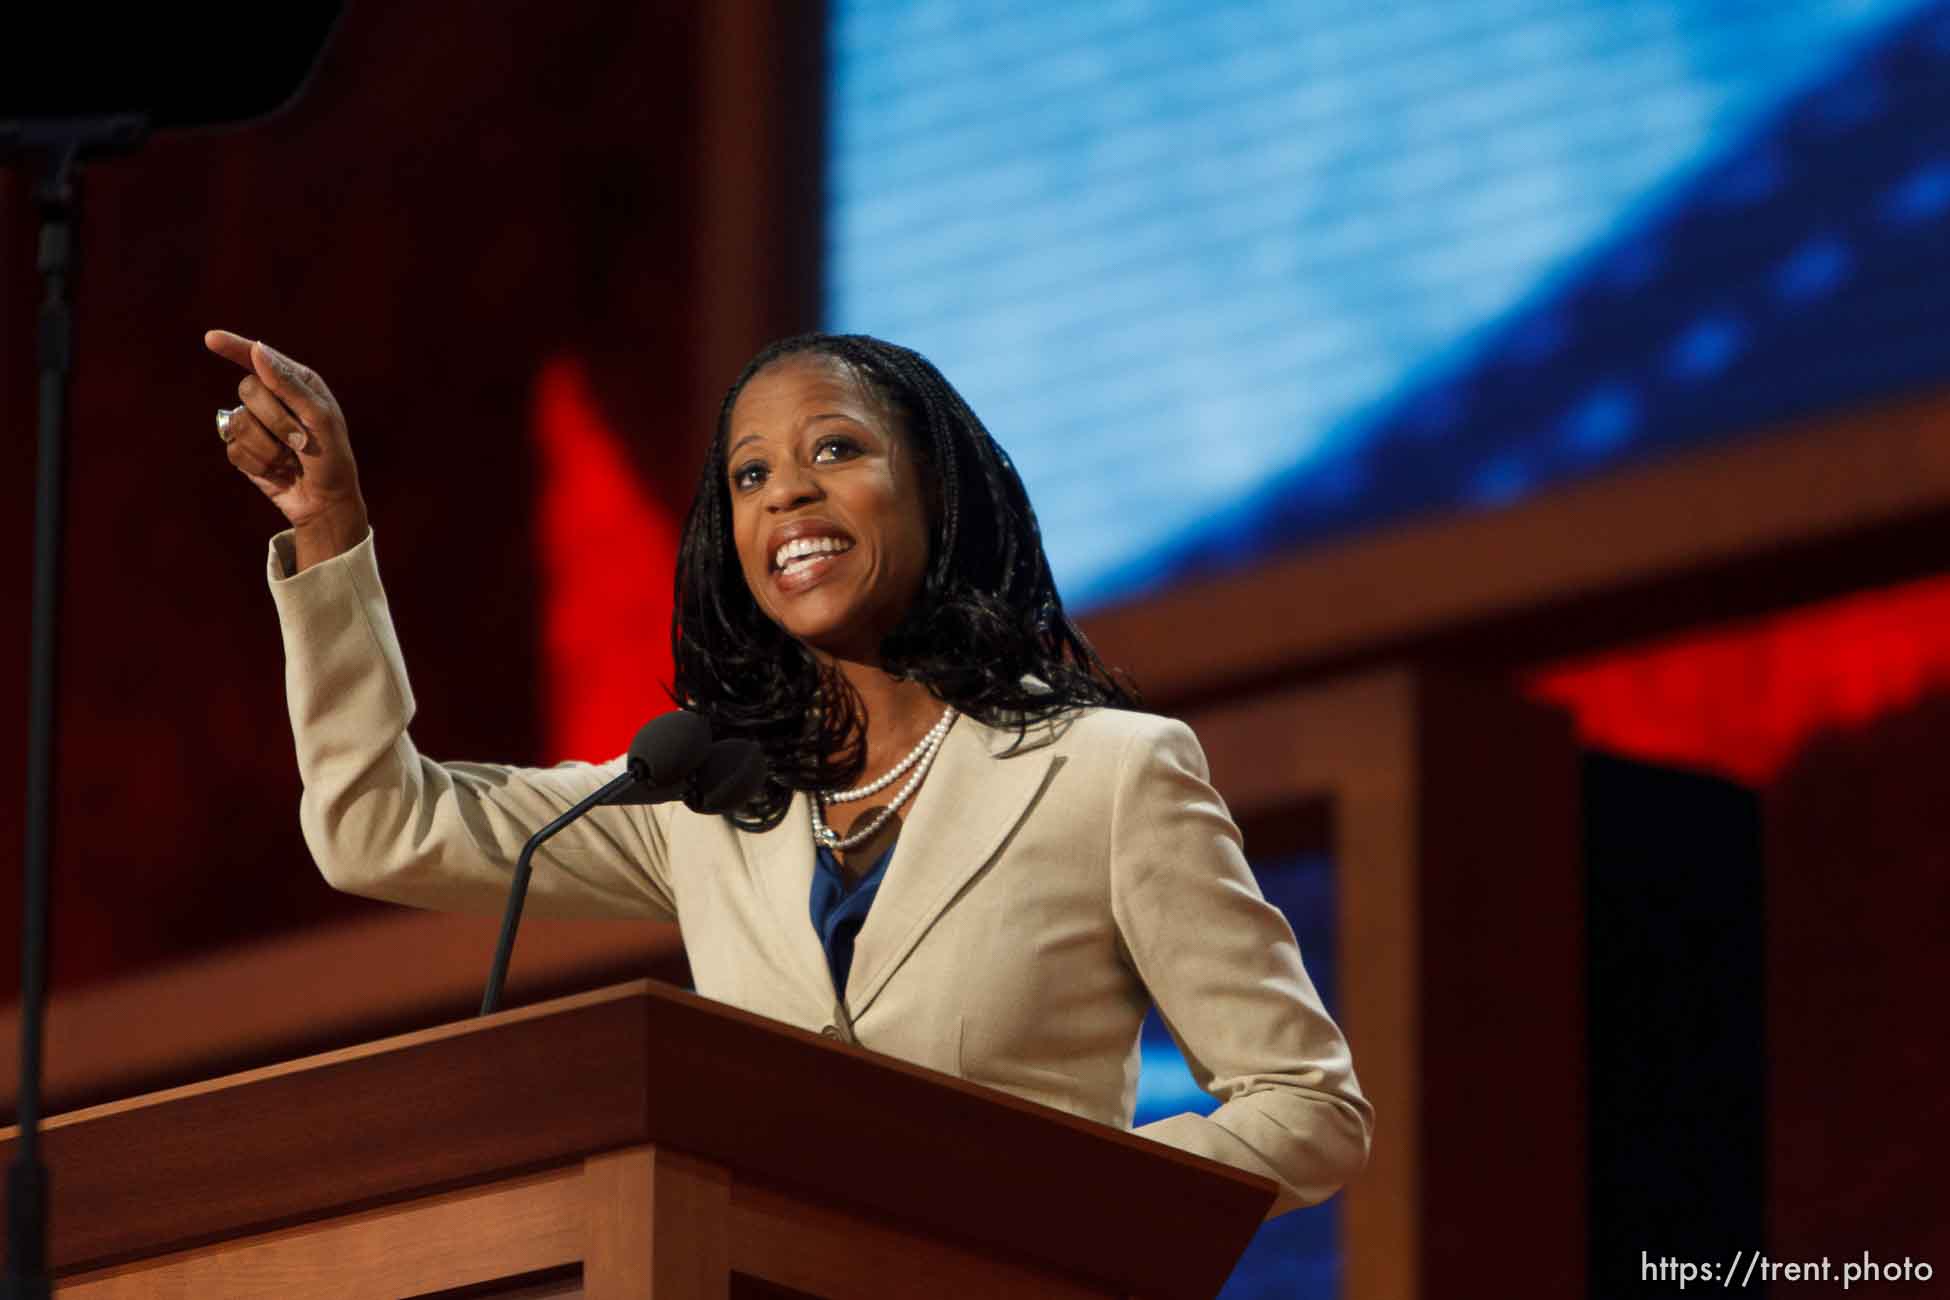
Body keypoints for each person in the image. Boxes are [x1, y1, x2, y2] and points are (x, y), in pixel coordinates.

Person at [206, 327, 1372, 1216]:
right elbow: (376, 826)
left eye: (836, 450)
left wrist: (1052, 1198)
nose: (790, 495)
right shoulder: (713, 800)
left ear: (936, 490)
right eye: (751, 476)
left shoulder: (1109, 773)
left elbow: (1308, 1109)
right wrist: (330, 529)